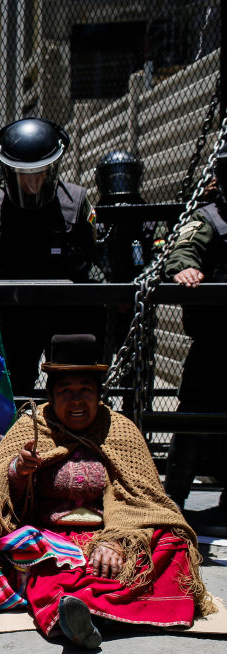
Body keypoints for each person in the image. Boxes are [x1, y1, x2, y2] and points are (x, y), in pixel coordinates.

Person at [0, 334, 212, 648]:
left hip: (112, 532)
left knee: (170, 543)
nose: (76, 400)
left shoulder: (119, 429)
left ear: (99, 395)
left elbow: (145, 500)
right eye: (65, 391)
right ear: (51, 397)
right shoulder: (31, 427)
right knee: (45, 561)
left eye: (85, 390)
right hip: (51, 536)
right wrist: (19, 472)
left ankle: (88, 613)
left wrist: (119, 541)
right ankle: (95, 611)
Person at [0, 118, 100, 395]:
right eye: (23, 174)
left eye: (39, 173)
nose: (32, 182)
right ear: (9, 173)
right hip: (12, 313)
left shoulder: (76, 202)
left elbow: (92, 256)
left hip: (65, 310)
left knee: (71, 383)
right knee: (14, 386)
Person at [162, 144, 227, 519]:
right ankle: (173, 503)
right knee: (193, 418)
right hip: (216, 342)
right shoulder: (210, 218)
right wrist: (185, 268)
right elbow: (183, 249)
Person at [94, 150, 161, 283]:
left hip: (140, 285)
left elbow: (159, 252)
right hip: (103, 290)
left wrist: (144, 279)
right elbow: (87, 257)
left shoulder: (148, 217)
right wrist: (103, 286)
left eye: (125, 177)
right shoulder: (95, 217)